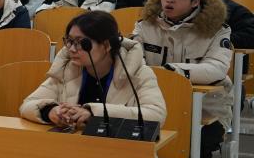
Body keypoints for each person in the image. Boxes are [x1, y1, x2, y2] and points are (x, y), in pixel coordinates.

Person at [132, 0, 232, 158]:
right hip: (154, 104)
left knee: (189, 148)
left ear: (195, 1)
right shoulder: (145, 25)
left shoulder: (217, 29)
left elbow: (216, 68)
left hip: (206, 109)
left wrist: (171, 72)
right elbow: (133, 60)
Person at [20, 11, 166, 128]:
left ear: (107, 45)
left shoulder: (139, 73)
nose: (72, 49)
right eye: (69, 41)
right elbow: (27, 104)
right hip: (73, 147)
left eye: (81, 43)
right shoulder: (67, 69)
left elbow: (156, 115)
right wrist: (50, 111)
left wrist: (94, 113)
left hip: (120, 150)